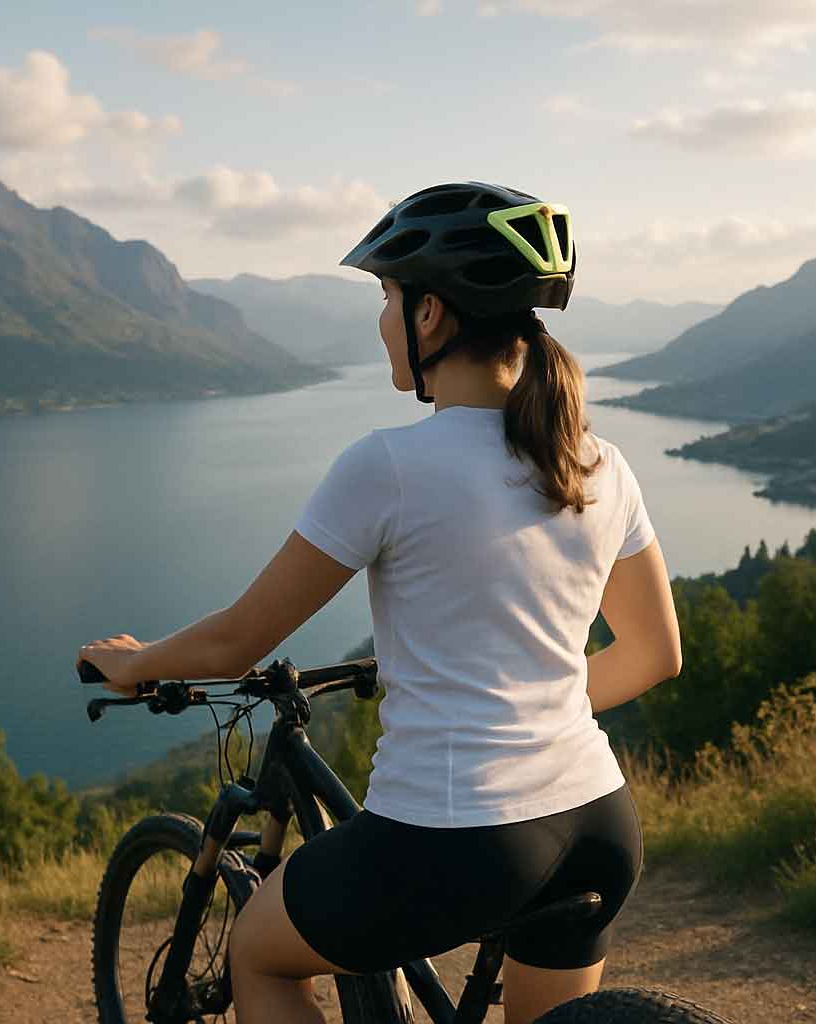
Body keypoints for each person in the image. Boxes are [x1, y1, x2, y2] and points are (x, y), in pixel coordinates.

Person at [75, 181, 682, 1024]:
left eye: (388, 297)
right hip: (596, 824)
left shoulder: (388, 466)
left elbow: (235, 642)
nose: (384, 318)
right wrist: (530, 701)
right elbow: (655, 654)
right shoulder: (599, 461)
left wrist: (136, 663)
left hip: (457, 836)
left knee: (257, 951)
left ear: (430, 314)